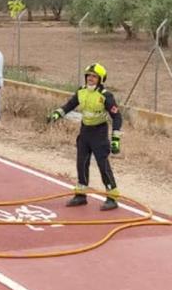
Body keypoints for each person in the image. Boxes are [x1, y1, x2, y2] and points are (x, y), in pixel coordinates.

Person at [48, 63, 123, 211]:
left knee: (103, 165)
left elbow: (117, 117)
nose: (90, 78)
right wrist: (57, 114)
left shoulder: (106, 96)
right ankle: (81, 195)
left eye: (94, 76)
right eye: (88, 76)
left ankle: (112, 197)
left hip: (99, 133)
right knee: (81, 163)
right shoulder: (81, 91)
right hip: (85, 132)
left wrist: (116, 139)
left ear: (100, 79)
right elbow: (69, 105)